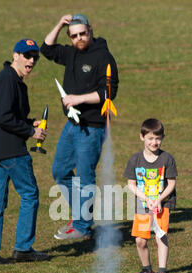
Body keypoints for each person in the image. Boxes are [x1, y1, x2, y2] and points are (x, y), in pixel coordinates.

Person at [41, 14, 119, 240]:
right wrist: (58, 24)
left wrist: (78, 99)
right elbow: (46, 49)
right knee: (60, 170)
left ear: (90, 31)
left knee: (85, 176)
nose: (79, 38)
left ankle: (83, 226)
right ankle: (80, 216)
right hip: (72, 125)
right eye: (74, 35)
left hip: (92, 128)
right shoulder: (71, 52)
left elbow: (108, 93)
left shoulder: (103, 57)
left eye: (83, 33)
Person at [0, 39, 50, 265]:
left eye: (35, 57)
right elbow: (3, 117)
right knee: (30, 194)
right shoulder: (8, 80)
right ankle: (23, 248)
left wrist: (30, 122)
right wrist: (31, 131)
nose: (31, 61)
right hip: (11, 151)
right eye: (27, 56)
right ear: (15, 55)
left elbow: (7, 115)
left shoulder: (10, 80)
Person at [123, 119, 178, 273]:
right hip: (143, 204)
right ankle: (147, 270)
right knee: (140, 240)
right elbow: (131, 184)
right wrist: (146, 199)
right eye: (150, 138)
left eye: (158, 138)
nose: (155, 142)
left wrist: (159, 199)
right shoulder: (135, 160)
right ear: (142, 137)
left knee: (161, 236)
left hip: (163, 204)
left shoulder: (167, 159)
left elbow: (172, 183)